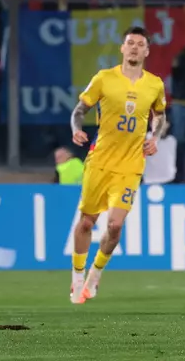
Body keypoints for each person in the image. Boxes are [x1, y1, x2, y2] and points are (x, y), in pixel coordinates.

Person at [69, 26, 167, 304]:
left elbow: (159, 115)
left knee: (114, 226)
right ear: (122, 48)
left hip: (131, 165)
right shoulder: (104, 78)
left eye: (140, 44)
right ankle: (77, 278)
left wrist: (155, 136)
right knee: (87, 222)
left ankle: (95, 274)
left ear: (147, 51)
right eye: (130, 43)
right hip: (100, 162)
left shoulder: (154, 84)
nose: (134, 47)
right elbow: (79, 110)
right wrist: (76, 129)